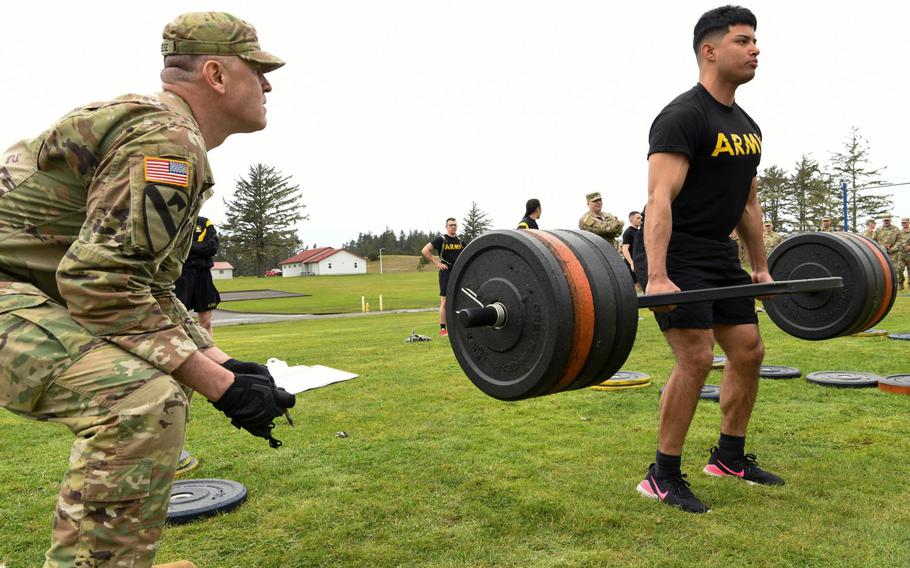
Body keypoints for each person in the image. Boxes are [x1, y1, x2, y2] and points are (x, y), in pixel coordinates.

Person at [0, 12, 296, 566]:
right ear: (216, 73)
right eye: (258, 69)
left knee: (165, 377)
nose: (268, 84)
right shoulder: (166, 141)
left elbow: (147, 286)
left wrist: (226, 364)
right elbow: (99, 284)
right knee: (136, 399)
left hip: (25, 288)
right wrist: (222, 388)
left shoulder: (166, 135)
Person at [632, 6, 783, 515]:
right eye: (743, 41)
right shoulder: (682, 116)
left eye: (755, 41)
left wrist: (759, 266)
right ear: (710, 50)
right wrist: (657, 274)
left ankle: (729, 457)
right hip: (674, 250)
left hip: (718, 250)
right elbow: (659, 200)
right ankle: (662, 474)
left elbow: (747, 204)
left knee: (749, 350)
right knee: (695, 357)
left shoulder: (748, 127)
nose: (755, 49)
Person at [175, 216, 222, 337]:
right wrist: (200, 247)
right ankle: (183, 353)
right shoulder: (175, 221)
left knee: (206, 323)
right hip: (182, 276)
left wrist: (188, 247)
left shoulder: (205, 222)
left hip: (203, 276)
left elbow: (212, 248)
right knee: (177, 323)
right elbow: (175, 247)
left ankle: (209, 353)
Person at [422, 218, 466, 336]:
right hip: (446, 273)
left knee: (459, 299)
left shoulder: (460, 241)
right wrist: (437, 263)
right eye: (451, 225)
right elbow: (425, 250)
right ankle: (443, 329)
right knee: (445, 302)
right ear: (446, 227)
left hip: (458, 273)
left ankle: (457, 325)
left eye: (455, 225)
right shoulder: (441, 239)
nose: (453, 227)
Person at [874, 216, 903, 289]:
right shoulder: (878, 229)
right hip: (881, 253)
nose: (886, 222)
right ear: (882, 220)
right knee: (881, 269)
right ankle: (883, 285)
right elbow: (873, 241)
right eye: (885, 220)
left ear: (890, 220)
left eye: (888, 220)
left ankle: (893, 286)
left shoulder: (896, 229)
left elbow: (900, 241)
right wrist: (879, 248)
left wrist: (893, 249)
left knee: (894, 269)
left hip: (892, 253)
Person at [621, 211, 643, 288]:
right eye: (638, 218)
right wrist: (631, 263)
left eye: (641, 218)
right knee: (636, 286)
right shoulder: (628, 232)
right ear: (631, 220)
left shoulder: (639, 231)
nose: (641, 219)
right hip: (631, 263)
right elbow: (625, 249)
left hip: (639, 262)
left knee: (642, 285)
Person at [900, 217, 910, 291]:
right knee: (899, 269)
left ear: (908, 223)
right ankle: (901, 284)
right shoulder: (899, 232)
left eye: (905, 222)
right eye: (902, 223)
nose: (903, 224)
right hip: (901, 254)